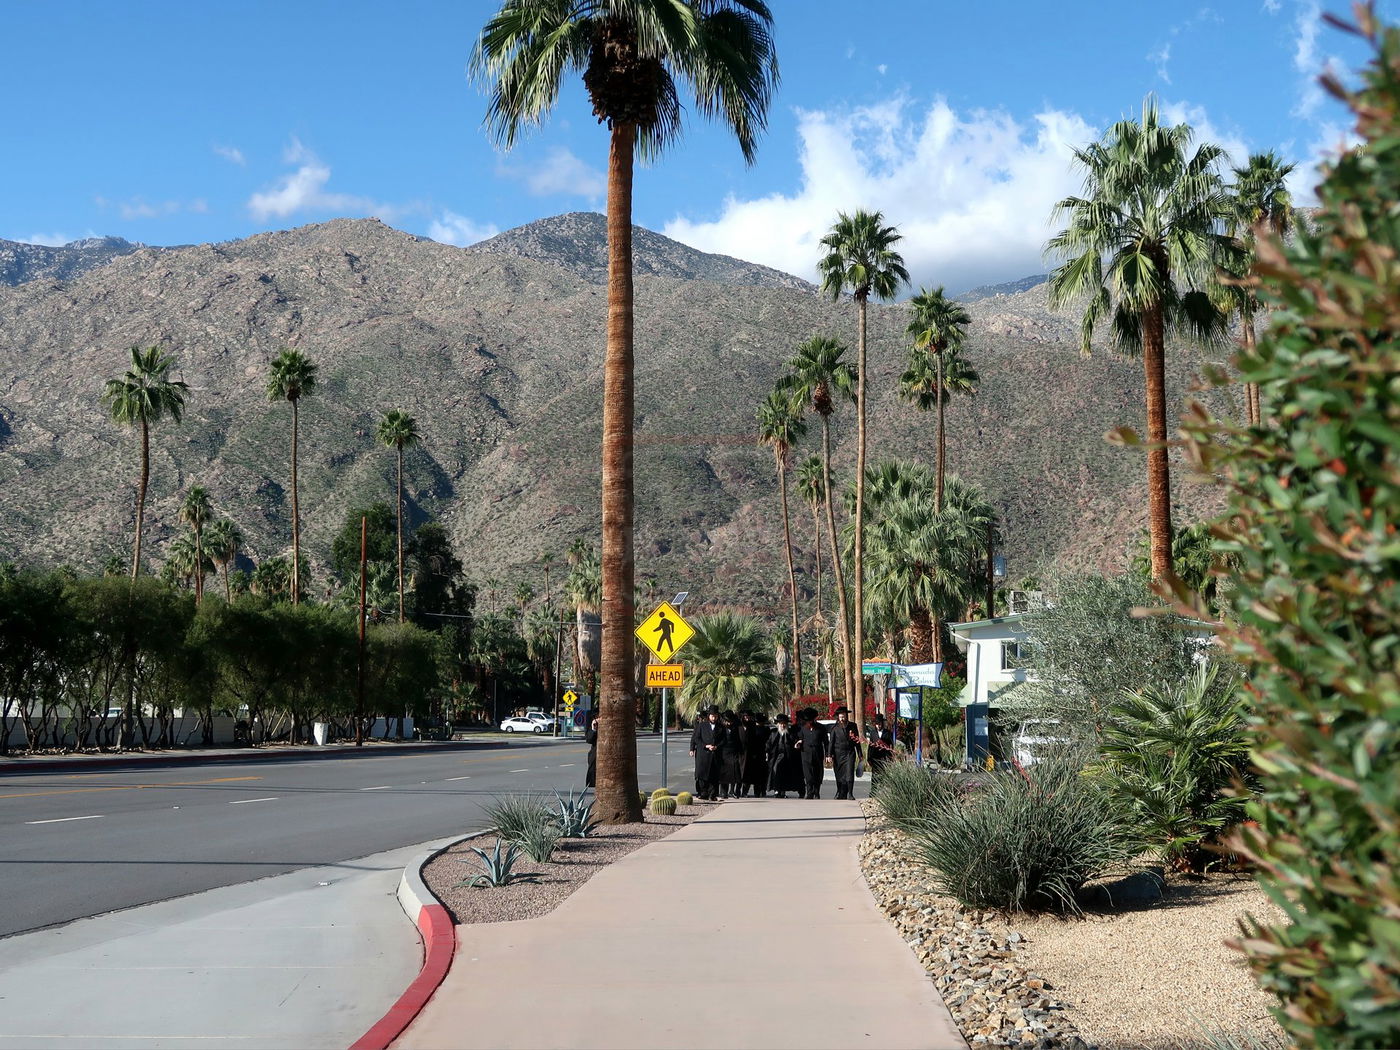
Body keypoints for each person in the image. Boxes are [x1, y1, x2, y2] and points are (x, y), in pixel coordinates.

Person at [689, 706, 722, 801]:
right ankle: (703, 793)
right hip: (703, 754)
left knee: (714, 775)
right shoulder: (702, 726)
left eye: (715, 716)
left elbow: (724, 740)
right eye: (712, 716)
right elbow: (696, 738)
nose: (714, 718)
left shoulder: (721, 727)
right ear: (709, 716)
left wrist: (717, 746)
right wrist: (705, 746)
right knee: (702, 775)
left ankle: (713, 794)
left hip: (715, 755)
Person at [766, 713, 802, 797]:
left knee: (785, 774)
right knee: (775, 770)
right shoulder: (773, 733)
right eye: (781, 724)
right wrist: (767, 752)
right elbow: (768, 744)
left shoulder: (791, 733)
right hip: (776, 756)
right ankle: (776, 790)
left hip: (788, 757)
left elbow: (795, 741)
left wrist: (797, 744)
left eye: (784, 724)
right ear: (778, 724)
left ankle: (782, 791)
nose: (782, 726)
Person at [797, 707, 829, 799]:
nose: (809, 722)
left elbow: (826, 742)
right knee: (808, 774)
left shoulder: (821, 728)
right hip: (806, 753)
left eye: (810, 720)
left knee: (817, 773)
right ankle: (809, 792)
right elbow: (799, 738)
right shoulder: (803, 728)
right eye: (807, 721)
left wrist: (828, 754)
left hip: (818, 753)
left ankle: (816, 791)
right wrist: (798, 743)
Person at [829, 706, 861, 799]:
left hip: (850, 753)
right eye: (840, 717)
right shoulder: (834, 728)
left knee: (849, 773)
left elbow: (857, 741)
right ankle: (840, 792)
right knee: (839, 774)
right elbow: (831, 742)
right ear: (838, 717)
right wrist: (829, 755)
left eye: (843, 717)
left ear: (846, 716)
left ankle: (850, 793)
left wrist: (860, 754)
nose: (842, 719)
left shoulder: (853, 726)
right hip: (838, 754)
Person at [739, 710, 769, 797]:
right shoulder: (752, 728)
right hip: (753, 754)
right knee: (753, 775)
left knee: (757, 775)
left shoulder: (758, 728)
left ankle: (753, 792)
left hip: (758, 754)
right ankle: (754, 792)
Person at [718, 710, 744, 798]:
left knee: (734, 772)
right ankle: (723, 792)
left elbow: (739, 740)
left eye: (730, 721)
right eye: (727, 721)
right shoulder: (720, 728)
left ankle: (732, 791)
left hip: (733, 752)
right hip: (723, 752)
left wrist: (740, 750)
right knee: (723, 773)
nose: (729, 723)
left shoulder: (736, 727)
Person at [866, 712, 896, 782]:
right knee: (875, 776)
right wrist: (869, 758)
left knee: (883, 776)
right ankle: (874, 788)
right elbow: (870, 746)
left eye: (879, 724)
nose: (878, 726)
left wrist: (891, 757)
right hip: (875, 757)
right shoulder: (872, 733)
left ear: (882, 723)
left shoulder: (888, 733)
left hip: (884, 758)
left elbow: (891, 746)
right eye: (877, 724)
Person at [585, 715, 599, 789]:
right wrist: (594, 729)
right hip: (595, 752)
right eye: (597, 717)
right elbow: (589, 739)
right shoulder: (594, 725)